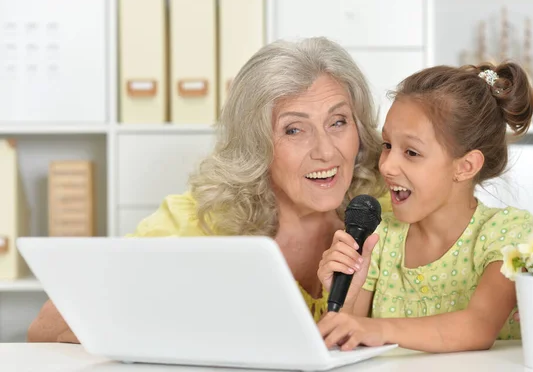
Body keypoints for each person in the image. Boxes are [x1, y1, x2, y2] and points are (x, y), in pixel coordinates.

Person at [27, 37, 390, 343]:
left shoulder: (390, 212)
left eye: (338, 122)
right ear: (256, 144)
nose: (326, 151)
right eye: (294, 130)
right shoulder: (199, 220)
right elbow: (47, 326)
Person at [317, 61, 533, 353]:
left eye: (411, 152)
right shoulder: (381, 236)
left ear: (465, 166)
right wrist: (344, 294)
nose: (387, 165)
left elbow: (478, 327)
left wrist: (376, 328)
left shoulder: (507, 233)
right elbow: (349, 336)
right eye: (387, 145)